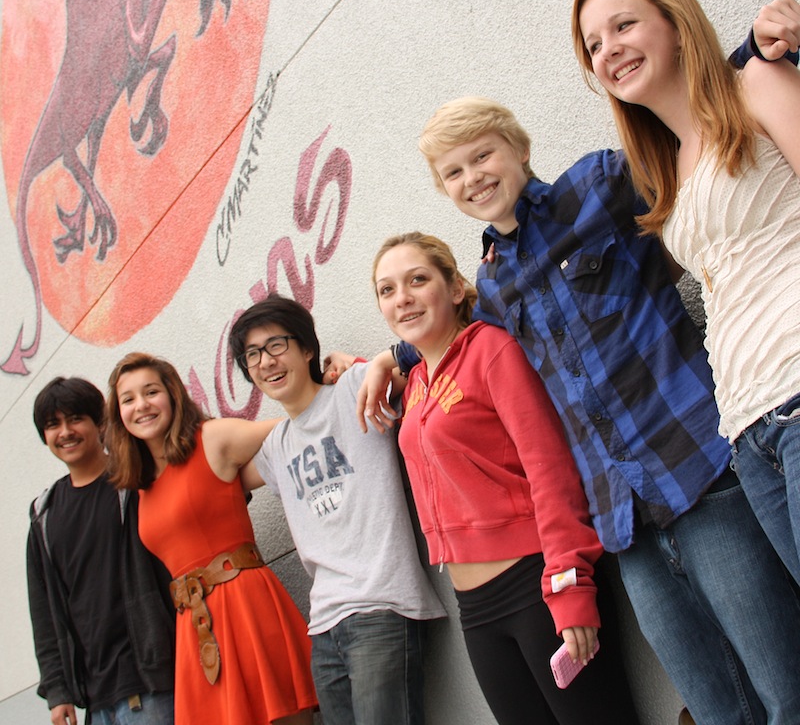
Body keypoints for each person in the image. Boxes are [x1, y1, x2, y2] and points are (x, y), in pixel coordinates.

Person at [360, 88, 800, 724]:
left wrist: (757, 55)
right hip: (622, 523)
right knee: (715, 709)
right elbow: (441, 324)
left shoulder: (597, 186)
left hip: (701, 474)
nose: (472, 177)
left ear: (518, 149)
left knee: (785, 690)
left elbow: (694, 134)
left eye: (482, 155)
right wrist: (390, 358)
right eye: (452, 171)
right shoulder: (493, 281)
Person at [573, 0, 800, 594]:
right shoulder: (669, 169)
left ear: (674, 22)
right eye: (593, 44)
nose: (608, 49)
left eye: (624, 25)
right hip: (748, 429)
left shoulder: (757, 81)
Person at [368, 231, 641, 725]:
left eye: (417, 280)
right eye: (387, 290)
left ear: (454, 289)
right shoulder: (417, 385)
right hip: (474, 607)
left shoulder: (492, 350)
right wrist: (381, 362)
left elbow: (549, 467)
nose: (402, 297)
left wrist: (570, 581)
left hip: (536, 584)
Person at [226, 294, 446, 725]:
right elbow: (213, 482)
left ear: (307, 348)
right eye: (252, 355)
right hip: (323, 627)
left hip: (381, 606)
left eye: (276, 345)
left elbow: (429, 349)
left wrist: (366, 362)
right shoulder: (273, 448)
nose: (266, 362)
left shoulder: (351, 389)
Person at [104, 352, 317, 725]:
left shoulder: (212, 439)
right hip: (195, 630)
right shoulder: (140, 486)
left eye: (151, 391)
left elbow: (299, 424)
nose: (141, 405)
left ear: (172, 394)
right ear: (118, 413)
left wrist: (340, 372)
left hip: (247, 610)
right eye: (128, 399)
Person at [27, 376, 175, 725]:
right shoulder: (43, 515)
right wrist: (58, 692)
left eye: (76, 419)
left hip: (154, 684)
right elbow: (44, 615)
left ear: (100, 423)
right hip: (94, 700)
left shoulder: (135, 482)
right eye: (53, 425)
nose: (65, 432)